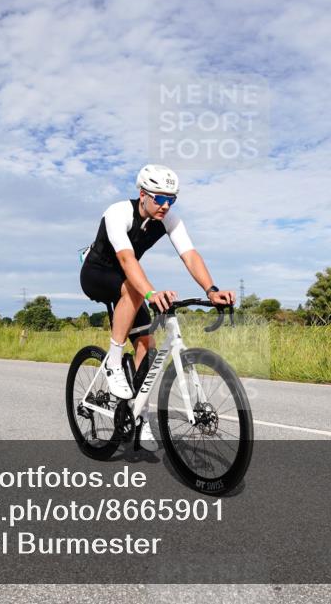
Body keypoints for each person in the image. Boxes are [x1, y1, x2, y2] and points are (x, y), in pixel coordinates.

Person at [79, 164, 235, 445]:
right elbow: (127, 259)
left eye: (171, 199)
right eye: (160, 198)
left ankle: (139, 416)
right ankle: (113, 363)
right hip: (96, 273)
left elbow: (190, 254)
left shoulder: (168, 219)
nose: (166, 205)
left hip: (128, 281)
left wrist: (211, 290)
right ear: (143, 194)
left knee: (147, 346)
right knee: (135, 289)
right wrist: (151, 294)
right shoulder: (118, 213)